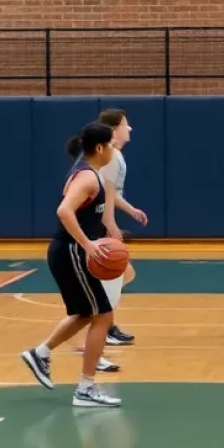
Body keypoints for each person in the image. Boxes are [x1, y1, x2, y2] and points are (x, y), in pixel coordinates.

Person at [20, 121, 122, 408]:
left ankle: (40, 353)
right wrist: (88, 244)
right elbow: (63, 211)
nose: (114, 150)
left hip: (68, 252)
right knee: (102, 315)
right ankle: (86, 389)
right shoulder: (87, 178)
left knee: (86, 313)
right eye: (112, 145)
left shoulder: (90, 174)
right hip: (71, 252)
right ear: (100, 148)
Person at [98, 108, 148, 348]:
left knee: (118, 276)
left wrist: (131, 210)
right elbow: (106, 194)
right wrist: (111, 224)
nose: (129, 129)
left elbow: (113, 194)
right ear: (114, 129)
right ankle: (101, 324)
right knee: (118, 275)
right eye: (125, 124)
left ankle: (106, 324)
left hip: (102, 221)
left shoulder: (115, 155)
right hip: (97, 224)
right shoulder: (111, 156)